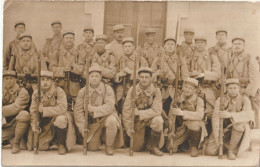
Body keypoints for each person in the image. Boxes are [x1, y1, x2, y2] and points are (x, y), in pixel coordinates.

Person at [74, 66, 124, 155]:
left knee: (112, 121)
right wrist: (82, 128)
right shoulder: (83, 91)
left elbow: (110, 106)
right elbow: (78, 111)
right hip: (93, 122)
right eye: (92, 76)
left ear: (101, 77)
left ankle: (109, 145)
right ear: (88, 77)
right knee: (92, 148)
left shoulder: (107, 88)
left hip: (106, 117)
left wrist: (94, 110)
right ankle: (101, 137)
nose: (94, 78)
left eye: (96, 76)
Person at [27, 71, 76, 155]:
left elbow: (62, 108)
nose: (45, 82)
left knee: (61, 120)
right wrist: (35, 125)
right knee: (41, 146)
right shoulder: (36, 93)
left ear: (52, 81)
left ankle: (61, 143)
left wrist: (44, 110)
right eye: (42, 79)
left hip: (57, 118)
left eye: (48, 80)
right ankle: (52, 140)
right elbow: (33, 112)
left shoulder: (59, 91)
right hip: (45, 123)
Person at [205, 78, 254, 160]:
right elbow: (215, 119)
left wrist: (230, 115)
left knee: (240, 125)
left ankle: (231, 150)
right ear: (226, 89)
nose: (233, 90)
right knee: (210, 151)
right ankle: (227, 145)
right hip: (224, 128)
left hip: (239, 129)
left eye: (235, 88)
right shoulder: (220, 100)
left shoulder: (244, 99)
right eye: (230, 88)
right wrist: (218, 138)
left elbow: (248, 115)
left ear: (239, 88)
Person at [122, 67, 164, 156]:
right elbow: (126, 110)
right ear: (138, 78)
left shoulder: (156, 91)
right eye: (142, 77)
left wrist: (139, 113)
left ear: (151, 78)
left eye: (147, 77)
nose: (144, 79)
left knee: (158, 120)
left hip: (151, 119)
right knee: (137, 148)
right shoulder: (132, 90)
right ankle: (144, 140)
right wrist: (128, 128)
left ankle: (154, 146)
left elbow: (157, 110)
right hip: (137, 121)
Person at [166, 78, 207, 157]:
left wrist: (182, 113)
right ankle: (182, 144)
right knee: (170, 148)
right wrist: (171, 130)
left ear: (195, 90)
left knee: (195, 124)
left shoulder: (199, 100)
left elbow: (200, 115)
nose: (187, 90)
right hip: (180, 127)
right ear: (182, 87)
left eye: (190, 88)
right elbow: (170, 116)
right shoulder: (177, 99)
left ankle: (194, 147)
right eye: (185, 87)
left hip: (193, 125)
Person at [190, 36, 221, 135]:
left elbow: (217, 74)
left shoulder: (212, 57)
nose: (199, 45)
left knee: (210, 111)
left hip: (208, 87)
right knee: (194, 110)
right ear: (195, 44)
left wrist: (202, 74)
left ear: (205, 44)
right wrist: (192, 74)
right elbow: (185, 72)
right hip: (194, 88)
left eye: (202, 43)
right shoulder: (190, 57)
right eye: (197, 43)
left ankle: (210, 136)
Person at [151, 36, 189, 115]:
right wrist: (158, 74)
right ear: (164, 47)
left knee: (174, 110)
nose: (170, 46)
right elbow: (151, 75)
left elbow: (185, 76)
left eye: (172, 44)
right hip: (162, 89)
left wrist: (184, 89)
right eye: (168, 44)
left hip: (176, 89)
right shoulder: (158, 59)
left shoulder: (180, 59)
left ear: (175, 47)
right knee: (160, 110)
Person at [227, 37, 259, 130]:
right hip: (236, 91)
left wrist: (248, 94)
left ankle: (255, 136)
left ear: (244, 46)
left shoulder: (249, 58)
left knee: (253, 114)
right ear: (232, 46)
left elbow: (255, 78)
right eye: (235, 44)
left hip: (248, 91)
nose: (237, 46)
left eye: (239, 44)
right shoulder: (231, 59)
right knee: (239, 116)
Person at [50, 30, 84, 110]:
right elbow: (51, 69)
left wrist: (73, 66)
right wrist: (63, 69)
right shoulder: (57, 53)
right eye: (67, 38)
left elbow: (81, 69)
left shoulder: (79, 53)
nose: (69, 40)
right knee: (59, 105)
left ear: (74, 39)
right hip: (60, 84)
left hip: (74, 85)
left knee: (77, 107)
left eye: (71, 38)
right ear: (63, 39)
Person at [114, 37, 148, 113]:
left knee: (136, 107)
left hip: (136, 86)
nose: (127, 48)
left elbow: (146, 73)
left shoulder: (140, 59)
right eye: (125, 46)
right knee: (121, 106)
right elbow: (115, 74)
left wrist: (131, 72)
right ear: (123, 48)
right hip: (122, 86)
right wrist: (119, 75)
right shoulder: (120, 59)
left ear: (133, 47)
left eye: (129, 46)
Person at [2, 70, 30, 154]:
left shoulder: (22, 91)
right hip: (4, 124)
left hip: (18, 124)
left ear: (15, 80)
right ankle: (10, 139)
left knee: (24, 114)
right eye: (6, 78)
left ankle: (16, 143)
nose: (8, 80)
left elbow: (16, 107)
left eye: (11, 78)